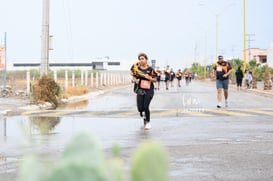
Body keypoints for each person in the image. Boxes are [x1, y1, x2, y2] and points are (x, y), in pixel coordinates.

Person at [131, 53, 156, 130]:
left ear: (146, 59)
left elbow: (155, 79)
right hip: (140, 89)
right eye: (140, 59)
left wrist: (149, 78)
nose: (141, 60)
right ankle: (144, 115)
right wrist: (135, 80)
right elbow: (132, 75)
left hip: (149, 90)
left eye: (142, 58)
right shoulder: (136, 68)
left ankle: (148, 123)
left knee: (146, 106)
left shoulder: (150, 69)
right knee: (140, 108)